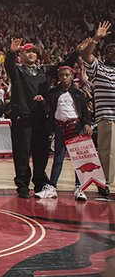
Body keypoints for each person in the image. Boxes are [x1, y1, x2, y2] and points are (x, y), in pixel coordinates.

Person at [5, 39, 80, 199]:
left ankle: (39, 183)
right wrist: (11, 52)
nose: (31, 54)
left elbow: (64, 66)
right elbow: (8, 65)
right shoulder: (17, 70)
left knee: (41, 155)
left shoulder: (44, 71)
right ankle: (23, 185)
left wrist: (77, 52)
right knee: (22, 154)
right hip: (22, 118)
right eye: (27, 51)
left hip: (42, 119)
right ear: (21, 55)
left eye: (34, 52)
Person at [45, 63, 93, 201]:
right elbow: (49, 110)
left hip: (76, 127)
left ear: (72, 76)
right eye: (61, 76)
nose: (64, 78)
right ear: (58, 78)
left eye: (67, 75)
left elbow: (84, 111)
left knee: (79, 160)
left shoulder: (78, 93)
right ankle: (52, 187)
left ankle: (79, 188)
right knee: (58, 159)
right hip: (60, 128)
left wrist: (87, 124)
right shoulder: (53, 93)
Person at [80, 21, 115, 197]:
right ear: (105, 55)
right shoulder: (99, 68)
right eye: (110, 51)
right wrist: (96, 38)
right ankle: (105, 184)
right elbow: (86, 55)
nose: (114, 54)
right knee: (107, 153)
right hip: (108, 117)